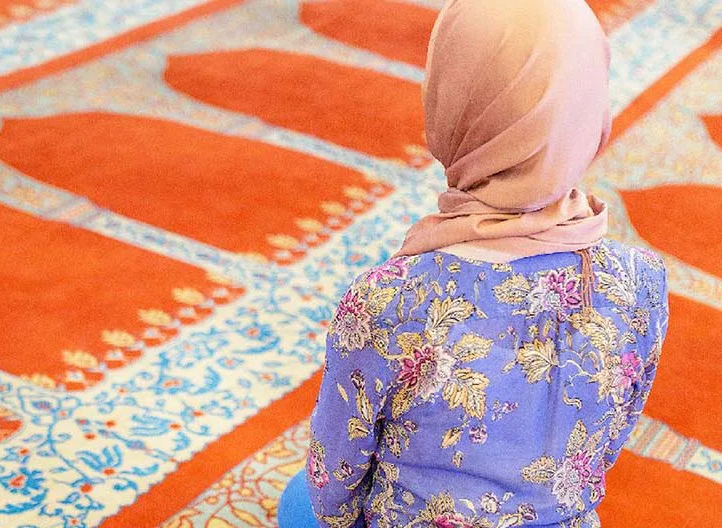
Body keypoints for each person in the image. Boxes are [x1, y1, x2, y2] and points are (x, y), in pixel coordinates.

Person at [278, 0, 669, 526]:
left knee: (298, 501)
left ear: (451, 100)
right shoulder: (642, 284)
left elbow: (334, 484)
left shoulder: (390, 297)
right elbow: (607, 442)